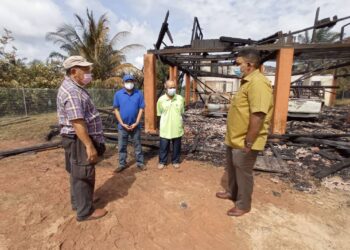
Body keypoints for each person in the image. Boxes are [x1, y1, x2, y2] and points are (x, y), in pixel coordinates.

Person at [216, 49, 273, 217]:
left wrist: (249, 142)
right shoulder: (246, 82)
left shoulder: (258, 83)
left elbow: (258, 114)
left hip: (245, 141)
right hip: (234, 138)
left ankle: (243, 204)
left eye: (238, 63)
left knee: (243, 173)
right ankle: (232, 193)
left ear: (250, 65)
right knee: (233, 169)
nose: (237, 67)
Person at [57, 55, 107, 221]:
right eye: (85, 70)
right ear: (73, 71)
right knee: (84, 173)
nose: (89, 73)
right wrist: (89, 145)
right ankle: (85, 211)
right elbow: (77, 122)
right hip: (79, 139)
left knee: (76, 172)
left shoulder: (74, 87)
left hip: (76, 138)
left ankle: (80, 202)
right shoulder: (72, 92)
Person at [113, 74, 146, 172]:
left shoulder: (139, 93)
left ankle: (140, 163)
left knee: (137, 145)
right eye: (127, 81)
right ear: (123, 83)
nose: (129, 83)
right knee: (122, 146)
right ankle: (122, 164)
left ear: (134, 82)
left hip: (135, 125)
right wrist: (122, 123)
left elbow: (141, 108)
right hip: (122, 126)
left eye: (131, 81)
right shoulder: (118, 94)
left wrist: (136, 122)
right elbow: (116, 109)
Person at [156, 80, 185, 169]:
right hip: (165, 128)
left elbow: (182, 112)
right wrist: (159, 127)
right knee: (163, 146)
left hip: (177, 127)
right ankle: (162, 161)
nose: (172, 89)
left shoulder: (180, 98)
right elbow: (159, 114)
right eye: (170, 87)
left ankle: (175, 161)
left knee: (177, 146)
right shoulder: (161, 100)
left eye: (174, 87)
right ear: (166, 87)